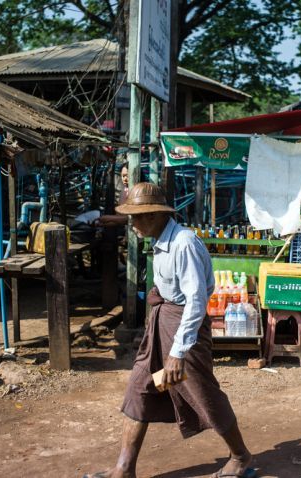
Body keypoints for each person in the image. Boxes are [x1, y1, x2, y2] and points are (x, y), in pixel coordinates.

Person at [84, 182, 254, 478]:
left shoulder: (184, 243)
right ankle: (124, 469)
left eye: (136, 217)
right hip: (163, 323)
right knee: (139, 388)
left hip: (183, 330)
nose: (132, 223)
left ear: (153, 215)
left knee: (202, 393)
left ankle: (240, 456)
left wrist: (177, 352)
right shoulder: (161, 240)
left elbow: (196, 302)